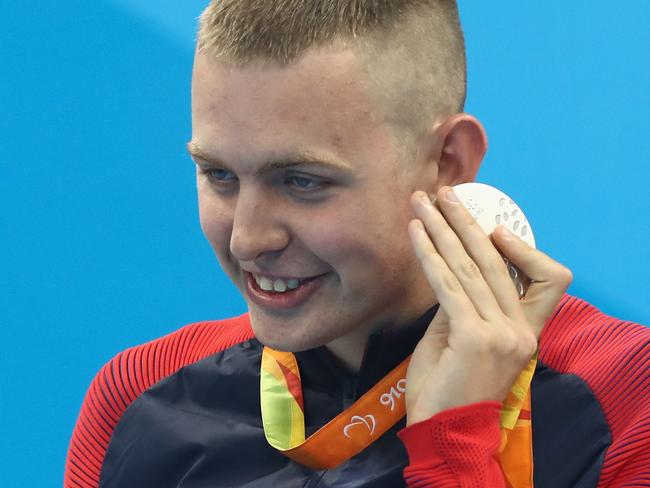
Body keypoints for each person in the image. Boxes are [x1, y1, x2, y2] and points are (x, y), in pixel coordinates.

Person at [64, 1, 650, 487]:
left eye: (302, 181)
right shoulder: (138, 396)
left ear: (448, 163)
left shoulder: (627, 403)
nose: (247, 238)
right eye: (219, 175)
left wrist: (454, 445)